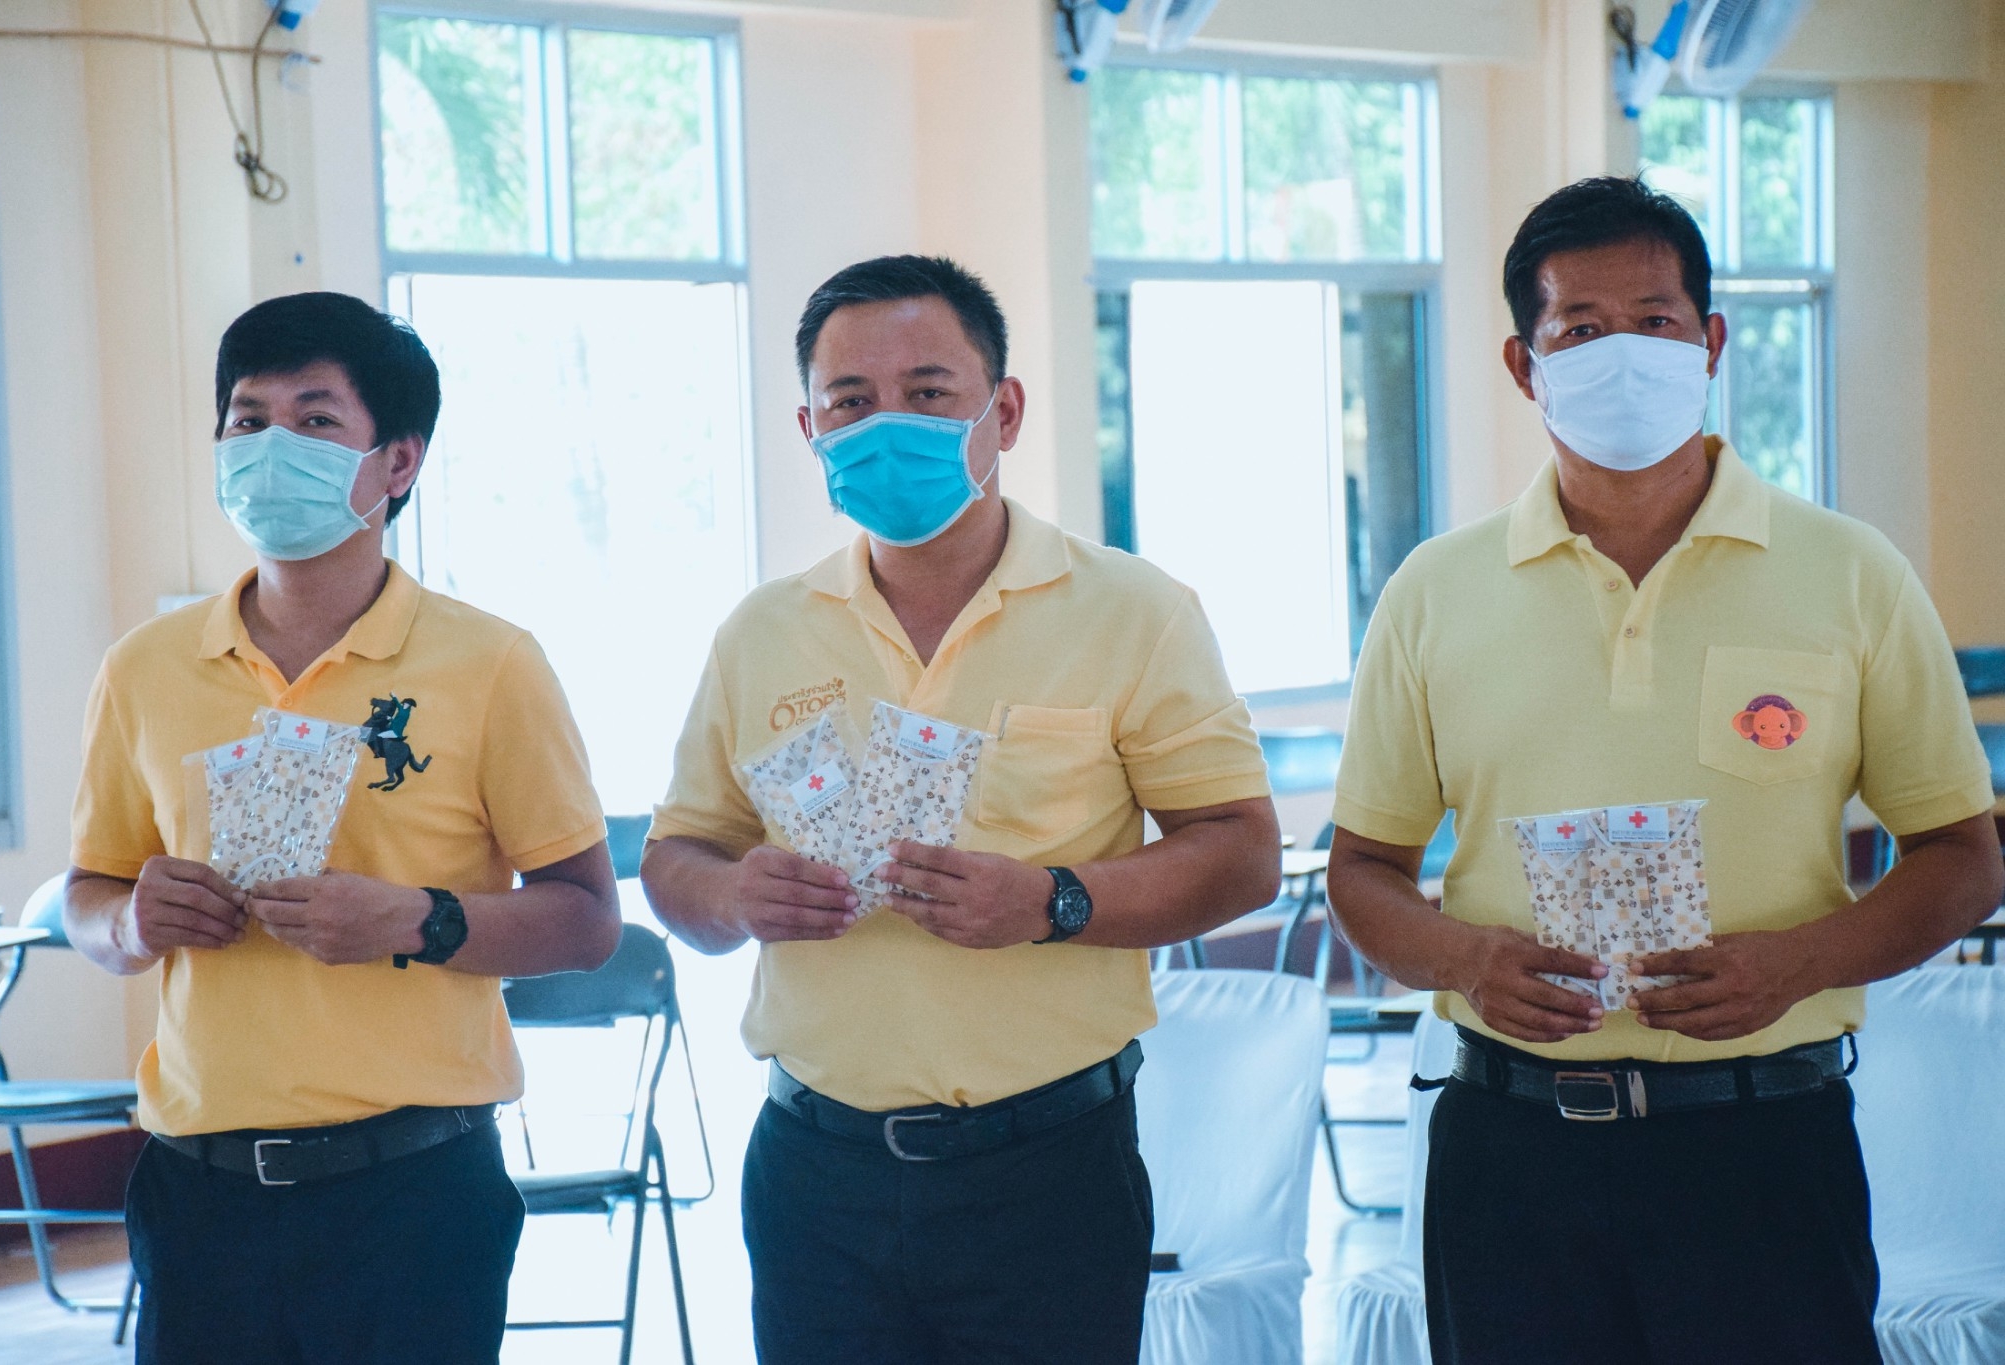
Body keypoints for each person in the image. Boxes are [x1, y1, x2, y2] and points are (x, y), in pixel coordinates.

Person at [1326, 176, 2004, 1365]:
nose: (1621, 357)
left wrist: (1801, 961)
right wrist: (1464, 961)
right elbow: (1362, 869)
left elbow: (1959, 856)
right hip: (1508, 1144)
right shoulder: (1434, 591)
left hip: (1761, 1140)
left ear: (1712, 342)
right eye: (1578, 331)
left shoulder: (1848, 572)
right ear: (1520, 365)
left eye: (1653, 321)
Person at [641, 254, 1282, 1364]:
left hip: (1046, 1167)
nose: (886, 423)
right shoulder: (763, 631)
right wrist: (733, 895)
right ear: (809, 427)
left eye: (928, 393)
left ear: (1005, 410)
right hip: (813, 1170)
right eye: (850, 401)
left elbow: (1240, 855)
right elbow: (675, 863)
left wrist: (1056, 902)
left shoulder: (1133, 612)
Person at [65, 291, 622, 1364]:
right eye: (246, 418)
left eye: (315, 421)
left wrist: (417, 921)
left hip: (412, 1190)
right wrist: (132, 924)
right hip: (199, 1188)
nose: (272, 446)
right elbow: (89, 896)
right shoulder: (144, 669)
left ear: (397, 463)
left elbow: (585, 920)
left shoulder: (490, 663)